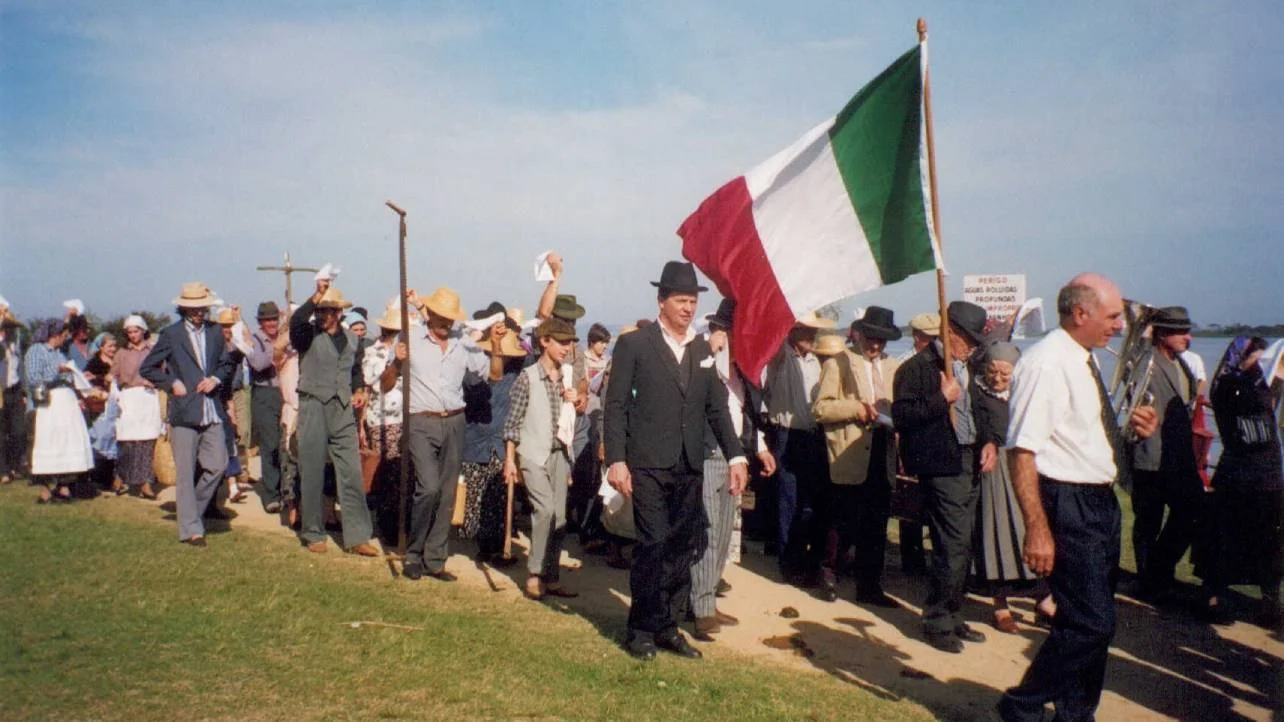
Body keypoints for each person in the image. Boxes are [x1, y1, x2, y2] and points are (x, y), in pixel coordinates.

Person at [998, 273, 1157, 722]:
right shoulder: (1046, 362)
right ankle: (1022, 705)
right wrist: (1037, 527)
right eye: (1111, 317)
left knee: (1088, 621)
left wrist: (1134, 432)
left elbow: (1082, 438)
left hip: (1098, 501)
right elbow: (1023, 450)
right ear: (1080, 313)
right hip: (1068, 503)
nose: (1119, 326)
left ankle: (1076, 714)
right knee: (1092, 623)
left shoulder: (1083, 359)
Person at [603, 260, 747, 661]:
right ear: (661, 301)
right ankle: (641, 629)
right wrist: (616, 460)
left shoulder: (701, 350)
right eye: (681, 300)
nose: (688, 308)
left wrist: (737, 456)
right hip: (647, 462)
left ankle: (667, 626)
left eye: (693, 301)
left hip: (689, 463)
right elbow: (614, 407)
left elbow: (717, 408)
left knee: (682, 547)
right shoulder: (635, 344)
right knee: (652, 544)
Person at [892, 300, 989, 653]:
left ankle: (952, 612)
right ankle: (936, 620)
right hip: (940, 465)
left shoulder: (971, 366)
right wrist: (940, 398)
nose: (975, 346)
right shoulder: (916, 369)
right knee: (951, 544)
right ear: (951, 334)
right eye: (969, 338)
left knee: (965, 544)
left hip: (970, 461)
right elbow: (902, 416)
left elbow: (981, 410)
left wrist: (989, 441)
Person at [390, 287, 504, 580]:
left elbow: (494, 374)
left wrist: (497, 345)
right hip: (420, 421)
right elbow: (385, 384)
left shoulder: (462, 343)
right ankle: (413, 554)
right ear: (431, 315)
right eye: (442, 318)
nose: (446, 324)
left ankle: (435, 558)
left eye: (450, 320)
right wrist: (396, 361)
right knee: (428, 488)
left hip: (455, 421)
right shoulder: (410, 338)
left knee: (448, 492)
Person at [689, 299, 776, 640]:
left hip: (733, 455)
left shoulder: (743, 369)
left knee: (724, 531)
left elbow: (746, 413)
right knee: (707, 530)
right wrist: (711, 352)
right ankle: (700, 606)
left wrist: (760, 448)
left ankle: (706, 598)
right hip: (706, 452)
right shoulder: (704, 355)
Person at [813, 306, 902, 608]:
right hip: (848, 450)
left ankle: (870, 585)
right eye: (871, 337)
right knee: (842, 519)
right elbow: (821, 409)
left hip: (883, 446)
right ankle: (828, 573)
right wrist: (857, 409)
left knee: (877, 521)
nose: (875, 345)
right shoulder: (839, 363)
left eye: (882, 340)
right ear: (860, 334)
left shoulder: (893, 366)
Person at [140, 282, 238, 546]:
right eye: (193, 309)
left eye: (202, 308)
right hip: (184, 412)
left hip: (212, 410)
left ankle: (190, 512)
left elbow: (227, 364)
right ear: (183, 308)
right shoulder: (171, 334)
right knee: (185, 473)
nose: (198, 313)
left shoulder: (217, 332)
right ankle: (191, 529)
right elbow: (147, 368)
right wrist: (171, 383)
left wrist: (216, 378)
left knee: (218, 466)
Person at [1197, 336, 1283, 625]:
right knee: (1224, 540)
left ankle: (1271, 602)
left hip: (1268, 476)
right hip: (1239, 475)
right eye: (1255, 358)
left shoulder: (1260, 385)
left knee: (1271, 543)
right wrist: (1266, 376)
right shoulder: (1230, 386)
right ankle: (1213, 598)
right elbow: (1249, 419)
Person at [288, 280, 378, 556]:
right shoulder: (307, 334)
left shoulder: (353, 340)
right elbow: (296, 321)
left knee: (351, 472)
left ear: (339, 313)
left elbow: (355, 372)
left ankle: (358, 536)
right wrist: (315, 295)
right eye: (321, 310)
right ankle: (314, 532)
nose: (325, 316)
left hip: (342, 411)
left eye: (330, 311)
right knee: (312, 470)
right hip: (313, 405)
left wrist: (360, 389)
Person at [969, 341, 1054, 633]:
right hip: (995, 470)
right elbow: (977, 427)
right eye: (993, 372)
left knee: (1037, 533)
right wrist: (988, 442)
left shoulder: (1025, 391)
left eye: (1005, 375)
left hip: (1026, 469)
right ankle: (1000, 606)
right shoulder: (977, 393)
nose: (998, 379)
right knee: (999, 537)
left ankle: (1044, 601)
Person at [502, 317, 581, 600]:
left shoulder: (567, 376)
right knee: (545, 510)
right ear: (544, 342)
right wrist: (510, 461)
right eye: (561, 342)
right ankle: (535, 573)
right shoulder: (528, 378)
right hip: (532, 453)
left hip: (560, 453)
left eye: (570, 342)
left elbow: (573, 417)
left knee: (560, 518)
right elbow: (512, 423)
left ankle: (551, 575)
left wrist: (576, 401)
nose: (567, 347)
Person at [1128, 306, 1202, 598]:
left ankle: (1158, 572)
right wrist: (1144, 336)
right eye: (1181, 332)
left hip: (1178, 457)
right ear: (1162, 334)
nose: (1188, 337)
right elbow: (1130, 381)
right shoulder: (1145, 362)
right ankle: (1150, 583)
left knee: (1193, 510)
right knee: (1148, 521)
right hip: (1150, 456)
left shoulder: (1183, 364)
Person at [762, 311, 835, 586]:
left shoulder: (817, 361)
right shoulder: (780, 356)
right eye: (805, 330)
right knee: (788, 499)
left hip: (812, 435)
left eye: (813, 331)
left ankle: (808, 559)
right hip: (786, 432)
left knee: (810, 501)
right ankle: (788, 561)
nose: (811, 336)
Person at [460, 310, 527, 565]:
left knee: (500, 495)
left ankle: (497, 546)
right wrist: (496, 347)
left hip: (503, 441)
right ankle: (485, 546)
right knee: (479, 497)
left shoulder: (519, 370)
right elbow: (493, 374)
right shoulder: (474, 371)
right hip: (477, 439)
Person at [25, 319, 93, 504]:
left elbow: (68, 376)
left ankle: (64, 487)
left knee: (66, 442)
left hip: (66, 402)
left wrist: (77, 377)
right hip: (48, 403)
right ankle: (45, 489)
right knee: (48, 442)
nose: (65, 339)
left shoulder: (60, 353)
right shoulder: (36, 351)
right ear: (54, 335)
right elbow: (33, 379)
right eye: (63, 335)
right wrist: (57, 372)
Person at [362, 304, 408, 545]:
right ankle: (387, 527)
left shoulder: (409, 351)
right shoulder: (374, 352)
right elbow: (376, 382)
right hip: (384, 420)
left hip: (405, 418)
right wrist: (395, 361)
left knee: (401, 474)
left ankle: (399, 524)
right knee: (387, 474)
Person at [113, 315, 162, 498]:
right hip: (129, 396)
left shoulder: (153, 350)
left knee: (147, 441)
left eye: (136, 331)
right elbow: (114, 375)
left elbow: (163, 371)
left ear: (143, 331)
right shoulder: (122, 353)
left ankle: (146, 482)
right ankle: (121, 476)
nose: (133, 335)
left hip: (148, 397)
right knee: (128, 441)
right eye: (129, 332)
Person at [247, 301, 287, 514]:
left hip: (286, 394)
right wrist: (278, 349)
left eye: (274, 319)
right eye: (267, 320)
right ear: (260, 322)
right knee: (270, 444)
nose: (271, 323)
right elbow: (259, 364)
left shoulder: (285, 336)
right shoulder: (254, 340)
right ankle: (271, 494)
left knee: (287, 445)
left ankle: (286, 491)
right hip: (264, 394)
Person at [0, 309, 28, 483]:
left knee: (19, 431)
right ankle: (3, 470)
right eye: (7, 327)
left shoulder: (15, 345)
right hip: (0, 391)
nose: (10, 331)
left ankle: (14, 465)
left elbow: (20, 367)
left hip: (15, 389)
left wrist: (24, 391)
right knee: (1, 433)